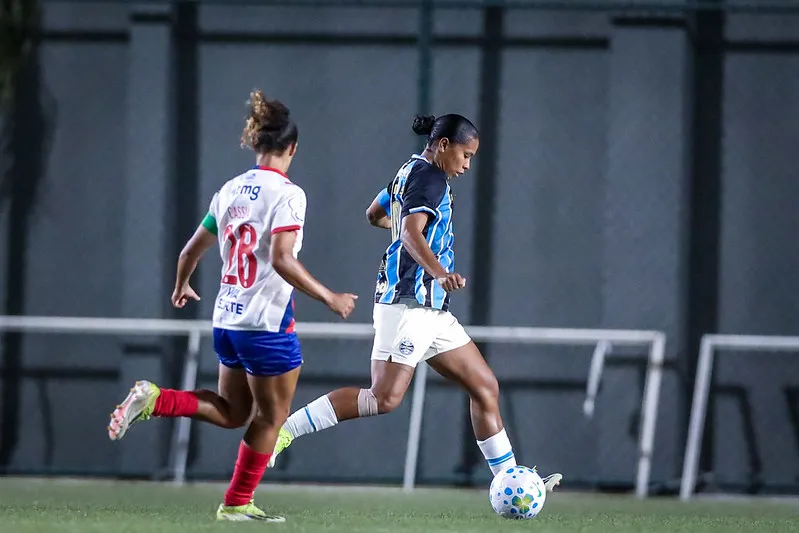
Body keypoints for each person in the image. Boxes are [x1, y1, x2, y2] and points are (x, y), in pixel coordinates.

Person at [269, 114, 563, 490]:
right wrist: (437, 270)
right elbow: (409, 232)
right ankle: (283, 430)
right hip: (407, 303)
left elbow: (374, 214)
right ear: (444, 145)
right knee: (383, 398)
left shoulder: (408, 170)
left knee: (485, 386)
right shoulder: (430, 177)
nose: (467, 165)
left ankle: (512, 483)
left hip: (431, 309)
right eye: (465, 155)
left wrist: (409, 242)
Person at [106, 90, 358, 522]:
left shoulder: (229, 191)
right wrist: (330, 296)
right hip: (266, 324)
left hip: (227, 320)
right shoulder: (288, 194)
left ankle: (154, 400)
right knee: (272, 417)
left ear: (257, 145)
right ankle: (238, 503)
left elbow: (189, 251)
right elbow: (282, 258)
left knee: (234, 411)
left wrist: (182, 285)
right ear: (292, 148)